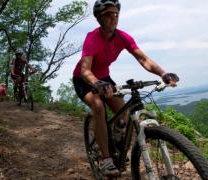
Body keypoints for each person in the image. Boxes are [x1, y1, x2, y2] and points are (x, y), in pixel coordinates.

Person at [72, 0, 179, 177]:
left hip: (104, 78)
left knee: (123, 112)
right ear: (99, 18)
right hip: (84, 79)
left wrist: (163, 73)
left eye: (116, 14)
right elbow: (85, 70)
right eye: (109, 14)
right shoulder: (92, 37)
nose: (114, 18)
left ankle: (115, 142)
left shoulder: (123, 37)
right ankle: (106, 160)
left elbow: (143, 59)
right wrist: (96, 83)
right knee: (98, 107)